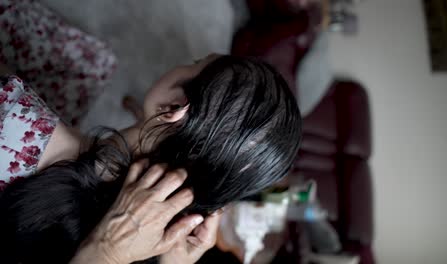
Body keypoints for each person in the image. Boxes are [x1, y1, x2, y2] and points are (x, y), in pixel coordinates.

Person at [0, 54, 302, 263]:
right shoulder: (152, 252)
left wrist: (105, 252)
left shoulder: (14, 117)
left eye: (195, 63)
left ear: (173, 106)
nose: (185, 64)